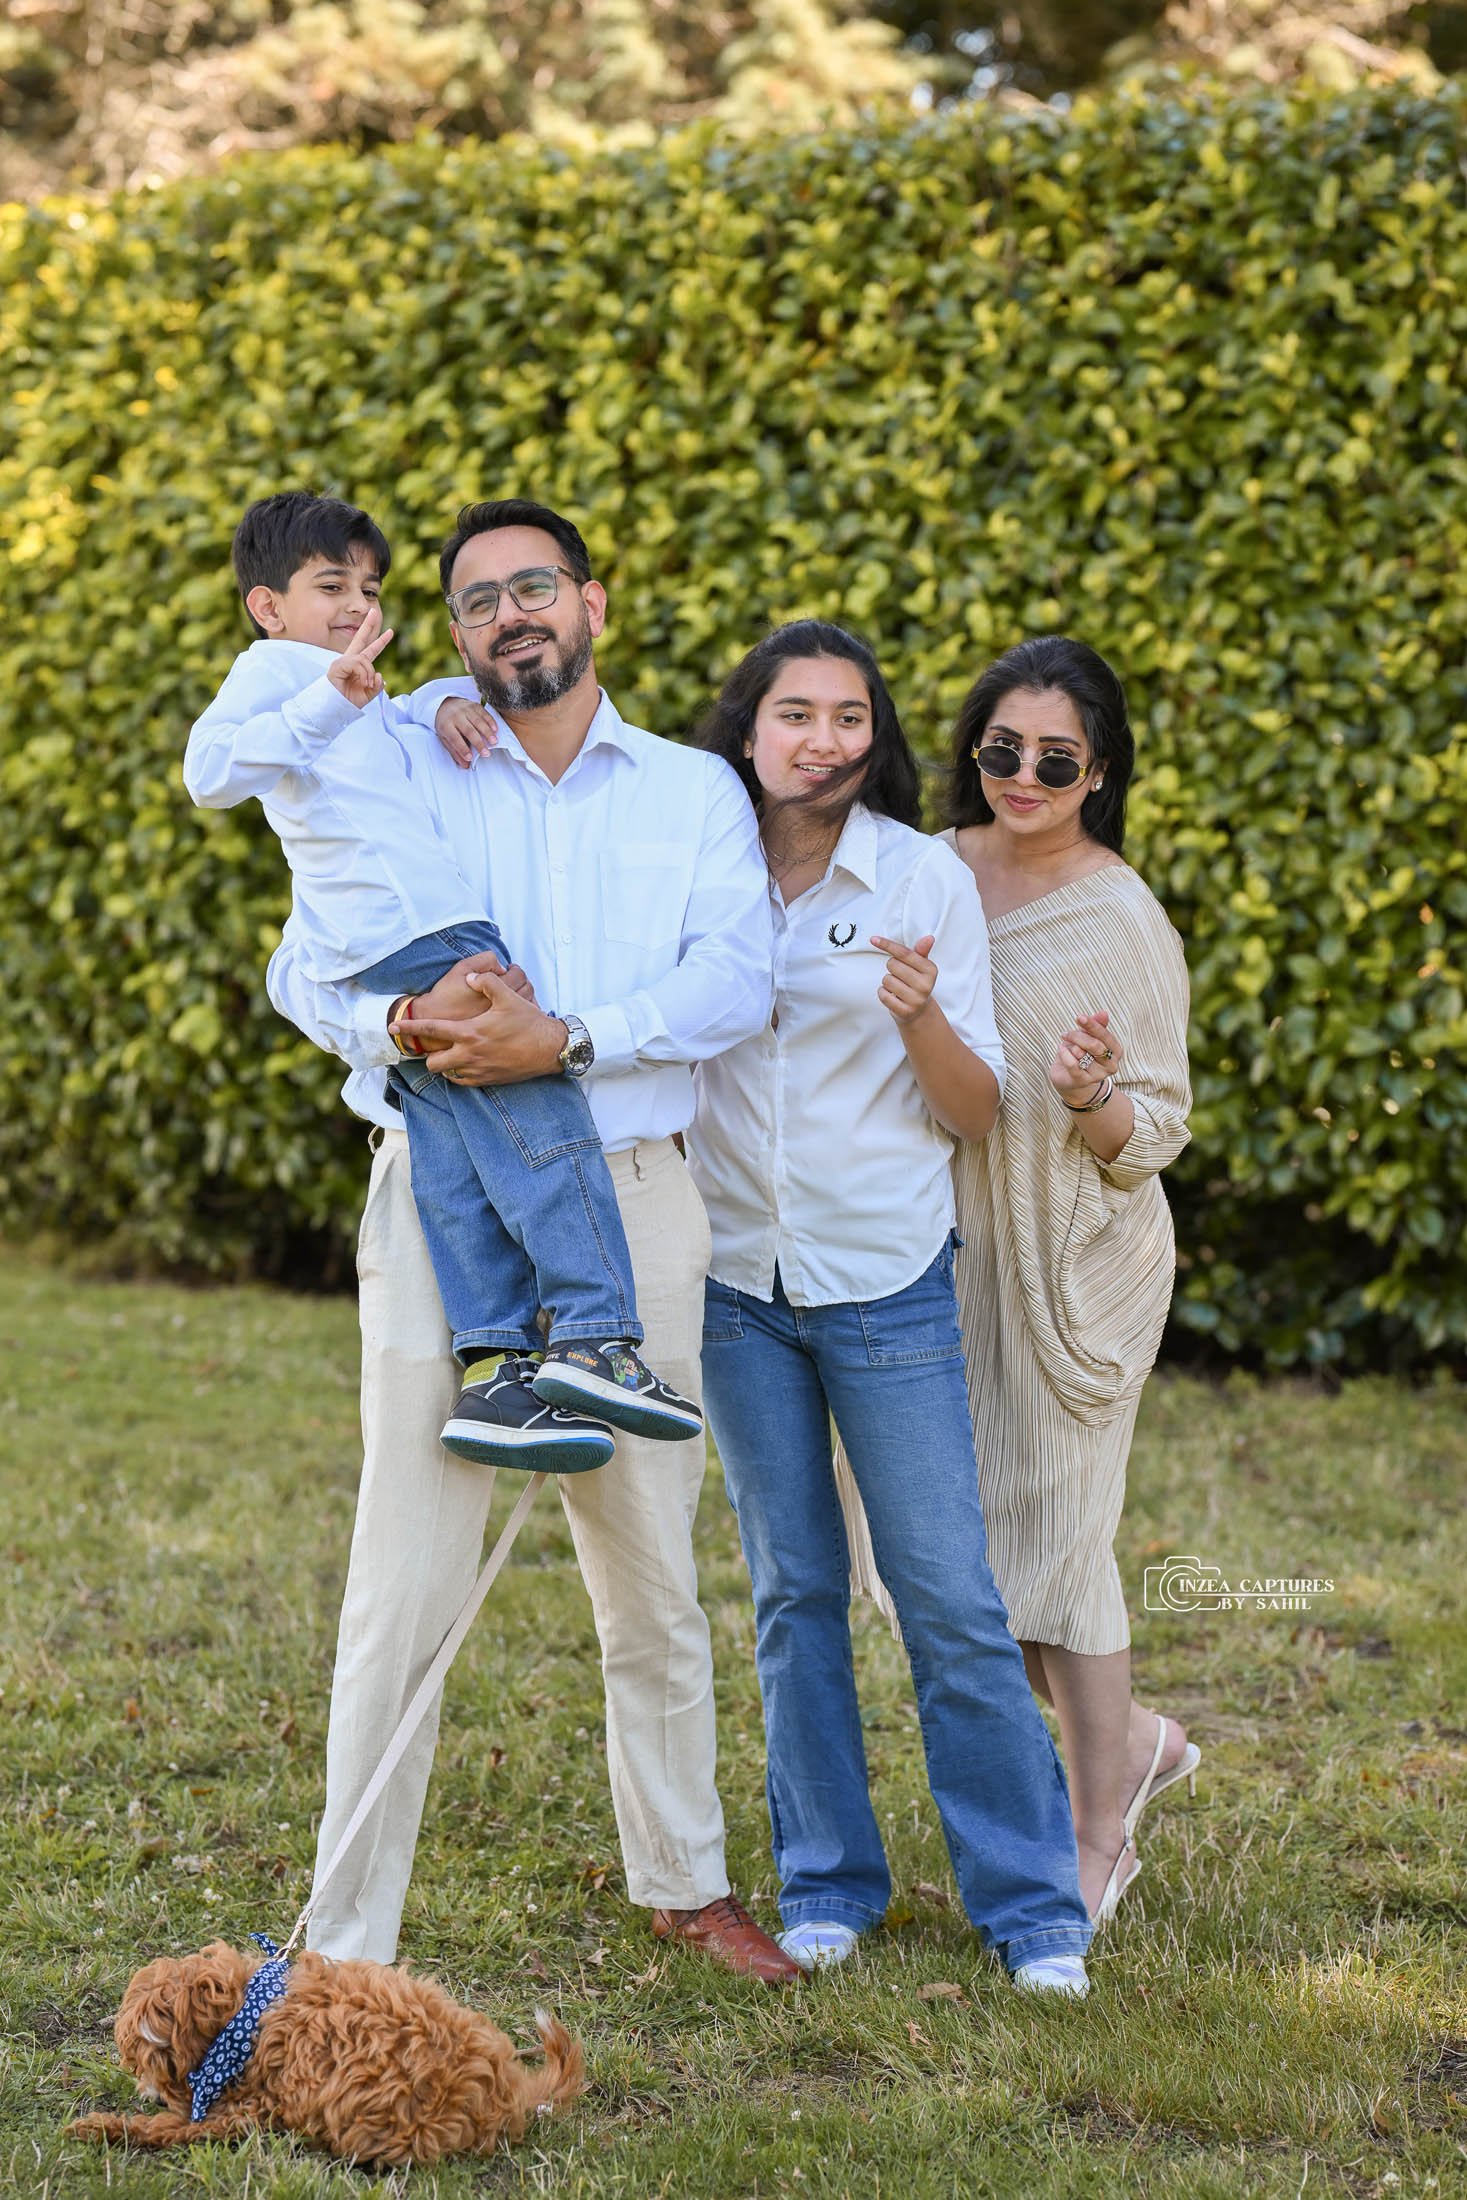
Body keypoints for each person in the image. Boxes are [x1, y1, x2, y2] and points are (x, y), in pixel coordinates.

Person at [266, 498, 802, 1984]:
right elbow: (301, 960)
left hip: (632, 1188)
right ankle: (346, 1936)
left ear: (591, 603)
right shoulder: (402, 757)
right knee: (402, 1580)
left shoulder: (692, 789)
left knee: (651, 1570)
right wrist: (400, 1020)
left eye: (534, 587)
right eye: (478, 600)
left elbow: (734, 982)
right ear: (454, 635)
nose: (510, 615)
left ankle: (685, 1882)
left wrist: (562, 1038)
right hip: (442, 1196)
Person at [688, 621, 1094, 1997]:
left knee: (947, 1598)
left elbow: (974, 1110)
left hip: (883, 1278)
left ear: (876, 737)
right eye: (795, 713)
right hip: (735, 1283)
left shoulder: (920, 876)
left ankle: (1033, 1912)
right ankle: (825, 1885)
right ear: (747, 729)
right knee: (792, 1592)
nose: (823, 739)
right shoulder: (695, 862)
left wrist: (918, 1014)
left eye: (848, 716)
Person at [185, 490, 698, 1473]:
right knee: (540, 1107)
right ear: (267, 607)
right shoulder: (275, 675)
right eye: (330, 585)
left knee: (450, 1151)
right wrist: (328, 698)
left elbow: (395, 720)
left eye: (369, 586)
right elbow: (207, 774)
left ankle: (496, 1367)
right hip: (419, 934)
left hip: (393, 937)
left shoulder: (363, 689)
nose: (356, 604)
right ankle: (596, 1333)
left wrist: (442, 703)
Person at [937, 634, 1197, 1923]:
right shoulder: (927, 868)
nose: (1024, 776)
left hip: (1075, 1270)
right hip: (943, 1257)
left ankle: (1099, 1835)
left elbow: (1156, 1133)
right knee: (974, 1565)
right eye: (1004, 749)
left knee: (1062, 1550)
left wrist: (1093, 1091)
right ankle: (1132, 1739)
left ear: (1098, 773)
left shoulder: (1121, 916)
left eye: (1057, 758)